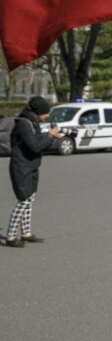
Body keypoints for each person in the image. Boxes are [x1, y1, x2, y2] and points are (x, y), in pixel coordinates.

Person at [4, 96, 63, 247]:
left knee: (30, 199)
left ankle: (26, 233)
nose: (47, 116)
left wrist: (50, 136)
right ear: (38, 112)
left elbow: (37, 141)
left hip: (31, 165)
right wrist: (50, 135)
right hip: (21, 167)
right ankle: (10, 237)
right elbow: (35, 146)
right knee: (23, 200)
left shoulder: (32, 122)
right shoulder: (24, 124)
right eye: (45, 113)